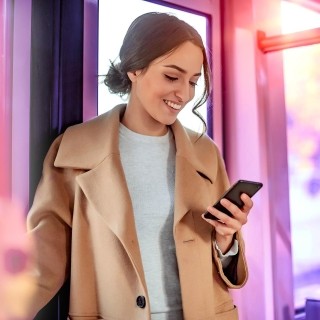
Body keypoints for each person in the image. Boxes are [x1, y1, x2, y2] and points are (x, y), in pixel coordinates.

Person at [26, 11, 253, 320]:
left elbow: (220, 264)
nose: (184, 94)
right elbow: (43, 259)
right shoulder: (73, 151)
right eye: (172, 77)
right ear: (134, 68)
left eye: (193, 82)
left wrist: (227, 240)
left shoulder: (206, 153)